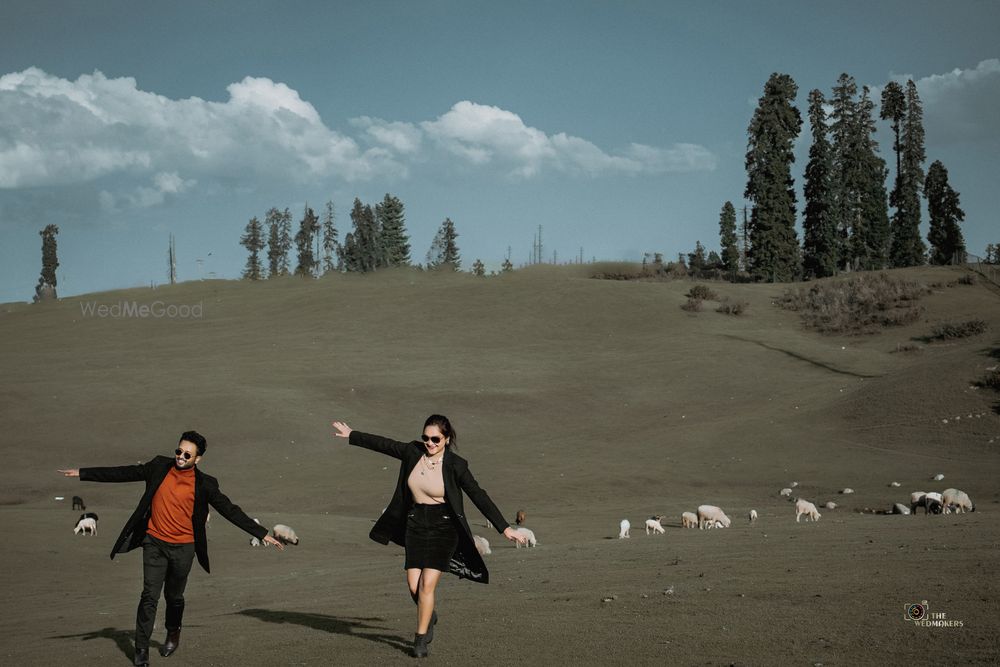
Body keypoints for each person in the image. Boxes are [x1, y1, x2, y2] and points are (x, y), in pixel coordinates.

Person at [58, 431, 283, 666]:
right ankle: (141, 648)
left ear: (197, 459)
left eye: (187, 454)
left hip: (184, 548)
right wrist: (83, 473)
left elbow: (229, 509)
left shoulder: (205, 484)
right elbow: (124, 472)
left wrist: (261, 533)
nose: (181, 457)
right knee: (149, 596)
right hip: (154, 543)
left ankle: (173, 631)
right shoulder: (158, 467)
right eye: (179, 451)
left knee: (174, 596)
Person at [331, 415, 526, 658]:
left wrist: (504, 528)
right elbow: (384, 444)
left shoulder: (456, 465)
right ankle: (429, 613)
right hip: (415, 526)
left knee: (426, 585)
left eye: (435, 439)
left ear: (446, 439)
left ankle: (420, 640)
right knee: (414, 586)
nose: (429, 443)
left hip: (444, 527)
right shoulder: (413, 452)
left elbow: (478, 494)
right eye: (426, 438)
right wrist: (352, 434)